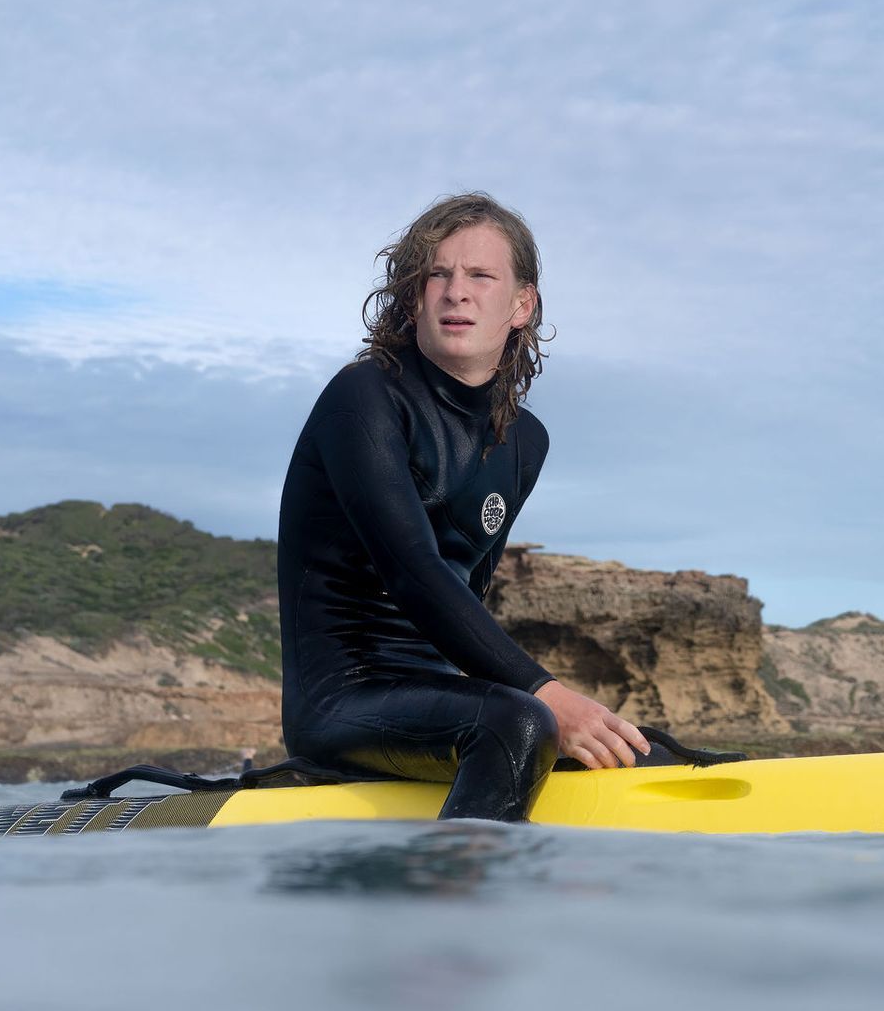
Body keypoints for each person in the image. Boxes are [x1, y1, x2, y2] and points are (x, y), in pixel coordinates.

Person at [276, 193, 650, 821]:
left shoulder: (524, 440)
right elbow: (412, 571)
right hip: (340, 698)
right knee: (522, 721)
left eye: (480, 275)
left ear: (521, 305)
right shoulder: (364, 396)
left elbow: (467, 596)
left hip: (440, 697)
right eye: (438, 274)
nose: (457, 292)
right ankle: (461, 911)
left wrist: (567, 722)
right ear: (414, 295)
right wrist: (545, 695)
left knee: (629, 749)